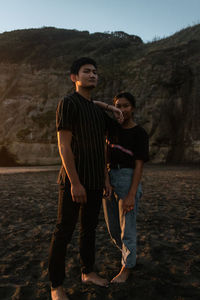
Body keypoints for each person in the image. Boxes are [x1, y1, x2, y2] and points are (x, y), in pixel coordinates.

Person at [48, 57, 123, 300]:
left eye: (95, 72)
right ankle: (56, 285)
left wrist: (105, 180)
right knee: (64, 231)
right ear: (74, 77)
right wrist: (75, 183)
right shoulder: (68, 103)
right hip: (74, 181)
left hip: (95, 181)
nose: (92, 75)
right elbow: (64, 146)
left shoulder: (96, 111)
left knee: (89, 229)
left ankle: (87, 272)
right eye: (86, 71)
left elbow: (104, 146)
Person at [102, 92, 149, 283]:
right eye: (117, 106)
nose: (121, 110)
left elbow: (139, 166)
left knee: (127, 228)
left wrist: (131, 194)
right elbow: (90, 104)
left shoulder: (139, 133)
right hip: (109, 177)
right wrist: (105, 180)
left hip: (128, 178)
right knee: (113, 229)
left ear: (133, 108)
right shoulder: (111, 128)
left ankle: (126, 268)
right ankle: (129, 257)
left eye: (125, 106)